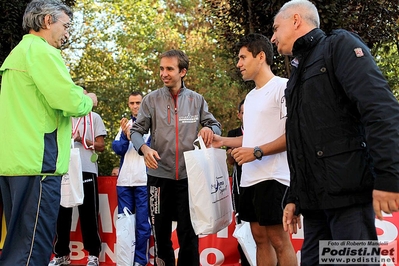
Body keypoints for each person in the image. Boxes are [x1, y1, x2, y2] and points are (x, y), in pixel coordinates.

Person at [271, 0, 399, 265]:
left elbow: (380, 108)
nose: (272, 37)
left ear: (295, 20)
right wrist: (295, 194)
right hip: (316, 206)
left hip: (348, 201)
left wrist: (389, 175)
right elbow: (301, 139)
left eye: (276, 27)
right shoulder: (296, 72)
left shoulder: (338, 46)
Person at [0, 0, 94, 265]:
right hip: (38, 163)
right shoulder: (41, 52)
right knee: (32, 249)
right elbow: (70, 101)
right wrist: (89, 99)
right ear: (46, 22)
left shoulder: (19, 52)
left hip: (15, 163)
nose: (67, 32)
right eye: (65, 25)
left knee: (19, 243)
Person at [130, 49, 221, 266]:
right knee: (160, 236)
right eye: (161, 68)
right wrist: (144, 149)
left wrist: (209, 129)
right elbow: (135, 131)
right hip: (158, 178)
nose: (164, 73)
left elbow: (214, 124)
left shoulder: (196, 100)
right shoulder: (151, 100)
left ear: (183, 72)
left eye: (169, 69)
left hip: (190, 179)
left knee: (188, 235)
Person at [212, 33, 297, 266]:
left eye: (242, 57)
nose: (238, 64)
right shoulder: (249, 98)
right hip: (249, 179)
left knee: (279, 240)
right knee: (259, 239)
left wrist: (256, 152)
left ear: (261, 56)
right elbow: (250, 138)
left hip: (275, 176)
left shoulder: (284, 87)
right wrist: (222, 141)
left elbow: (293, 136)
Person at [49, 93, 107, 266]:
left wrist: (82, 139)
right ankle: (61, 254)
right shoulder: (63, 117)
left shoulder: (94, 117)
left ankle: (93, 254)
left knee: (88, 213)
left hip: (86, 169)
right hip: (65, 169)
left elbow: (102, 146)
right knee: (62, 213)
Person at [112, 91, 151, 266]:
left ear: (143, 104)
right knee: (125, 224)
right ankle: (125, 260)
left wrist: (132, 137)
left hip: (143, 180)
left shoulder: (152, 124)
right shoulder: (125, 124)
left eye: (138, 102)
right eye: (131, 103)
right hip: (124, 182)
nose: (135, 106)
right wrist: (125, 136)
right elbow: (118, 148)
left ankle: (140, 261)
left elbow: (146, 149)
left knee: (142, 224)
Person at [226, 99, 250, 266]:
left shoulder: (263, 133)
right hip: (239, 189)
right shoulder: (233, 133)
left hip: (263, 186)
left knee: (266, 233)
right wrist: (231, 153)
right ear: (239, 115)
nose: (246, 116)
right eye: (243, 113)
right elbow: (230, 162)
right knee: (242, 230)